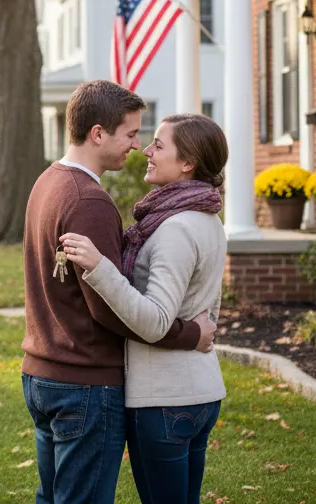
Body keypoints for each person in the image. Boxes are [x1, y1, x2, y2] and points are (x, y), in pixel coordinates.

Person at [22, 81, 217, 504]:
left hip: (43, 372)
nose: (138, 145)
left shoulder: (48, 181)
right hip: (84, 383)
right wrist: (190, 334)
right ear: (97, 133)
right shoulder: (89, 200)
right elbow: (109, 310)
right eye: (130, 133)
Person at [62, 113, 229, 504]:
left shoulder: (175, 229)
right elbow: (209, 305)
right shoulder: (208, 218)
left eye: (159, 144)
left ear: (187, 163)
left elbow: (155, 320)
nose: (147, 151)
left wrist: (99, 266)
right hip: (199, 391)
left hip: (164, 400)